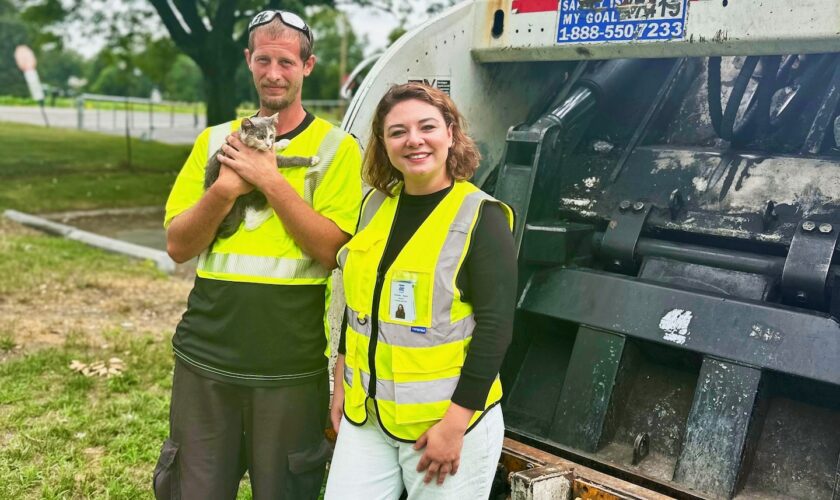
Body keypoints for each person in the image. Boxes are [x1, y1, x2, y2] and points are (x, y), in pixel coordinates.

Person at [153, 10, 362, 500]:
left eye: (286, 61)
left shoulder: (338, 149)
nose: (274, 72)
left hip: (289, 363)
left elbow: (332, 252)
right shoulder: (213, 141)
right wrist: (226, 188)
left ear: (307, 67)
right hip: (206, 355)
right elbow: (179, 245)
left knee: (286, 491)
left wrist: (268, 179)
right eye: (263, 59)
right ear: (248, 61)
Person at [325, 83, 517, 499]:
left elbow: (496, 329)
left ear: (450, 133)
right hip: (369, 416)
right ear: (383, 143)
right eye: (397, 132)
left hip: (444, 425)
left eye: (426, 126)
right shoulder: (375, 207)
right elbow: (360, 300)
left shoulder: (481, 217)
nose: (413, 140)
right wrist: (342, 378)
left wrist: (456, 424)